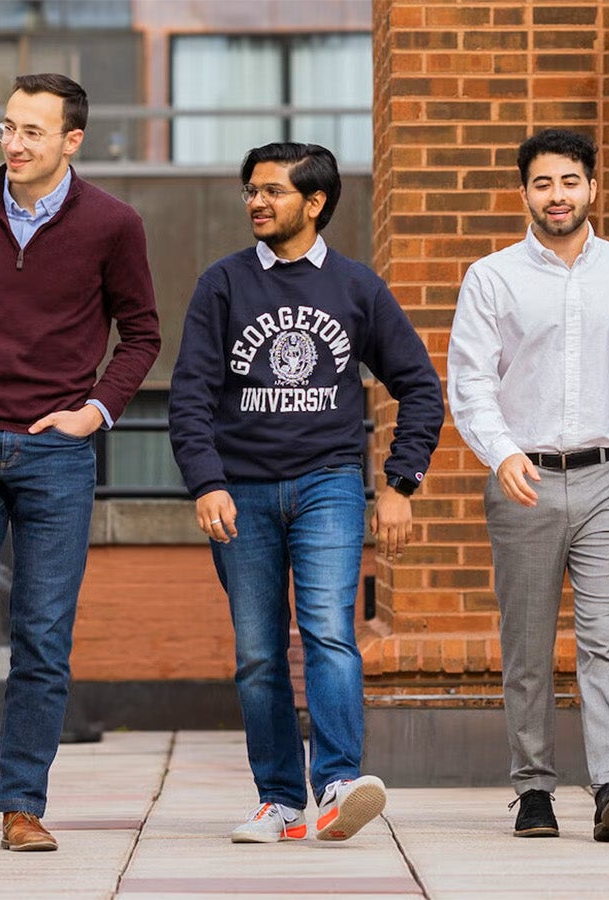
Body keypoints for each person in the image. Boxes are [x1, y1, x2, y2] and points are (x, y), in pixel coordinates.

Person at [0, 73, 160, 853]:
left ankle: (22, 800)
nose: (14, 145)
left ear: (71, 141)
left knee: (44, 632)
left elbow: (142, 334)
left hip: (58, 450)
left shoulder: (114, 224)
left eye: (33, 133)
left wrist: (94, 412)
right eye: (6, 128)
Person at [168, 142, 444, 844]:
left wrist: (400, 484)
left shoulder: (355, 287)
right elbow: (190, 396)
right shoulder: (222, 284)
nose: (256, 203)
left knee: (328, 631)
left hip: (329, 485)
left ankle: (339, 785)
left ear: (314, 202)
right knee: (259, 650)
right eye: (250, 191)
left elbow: (418, 387)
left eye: (272, 191)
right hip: (243, 494)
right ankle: (280, 800)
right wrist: (206, 481)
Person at [447, 128, 609, 843]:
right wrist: (500, 453)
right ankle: (533, 790)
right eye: (542, 183)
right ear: (523, 193)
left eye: (569, 181)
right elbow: (469, 384)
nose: (557, 195)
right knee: (528, 645)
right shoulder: (492, 278)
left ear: (591, 187)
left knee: (603, 638)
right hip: (524, 480)